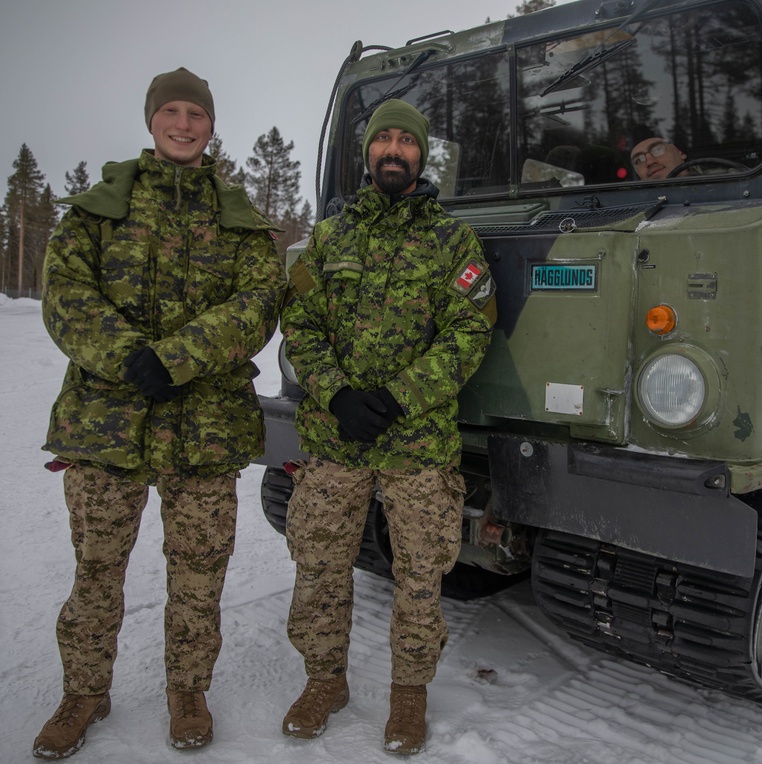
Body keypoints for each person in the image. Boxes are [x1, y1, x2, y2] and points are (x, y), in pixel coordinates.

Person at [33, 67, 285, 759]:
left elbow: (259, 304)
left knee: (200, 571)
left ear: (210, 125)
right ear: (152, 120)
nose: (183, 124)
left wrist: (176, 358)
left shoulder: (239, 218)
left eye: (195, 114)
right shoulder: (98, 207)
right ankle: (84, 691)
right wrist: (128, 357)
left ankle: (187, 690)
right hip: (105, 424)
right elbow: (65, 295)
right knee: (96, 570)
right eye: (170, 111)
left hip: (204, 426)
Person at [279, 99, 496, 756]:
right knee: (317, 564)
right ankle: (324, 681)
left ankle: (409, 694)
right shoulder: (328, 238)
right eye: (384, 141)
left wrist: (402, 396)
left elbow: (470, 329)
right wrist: (337, 392)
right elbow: (301, 324)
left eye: (407, 141)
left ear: (421, 155)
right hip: (335, 437)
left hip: (417, 443)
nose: (395, 150)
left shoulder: (451, 241)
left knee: (420, 574)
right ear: (368, 154)